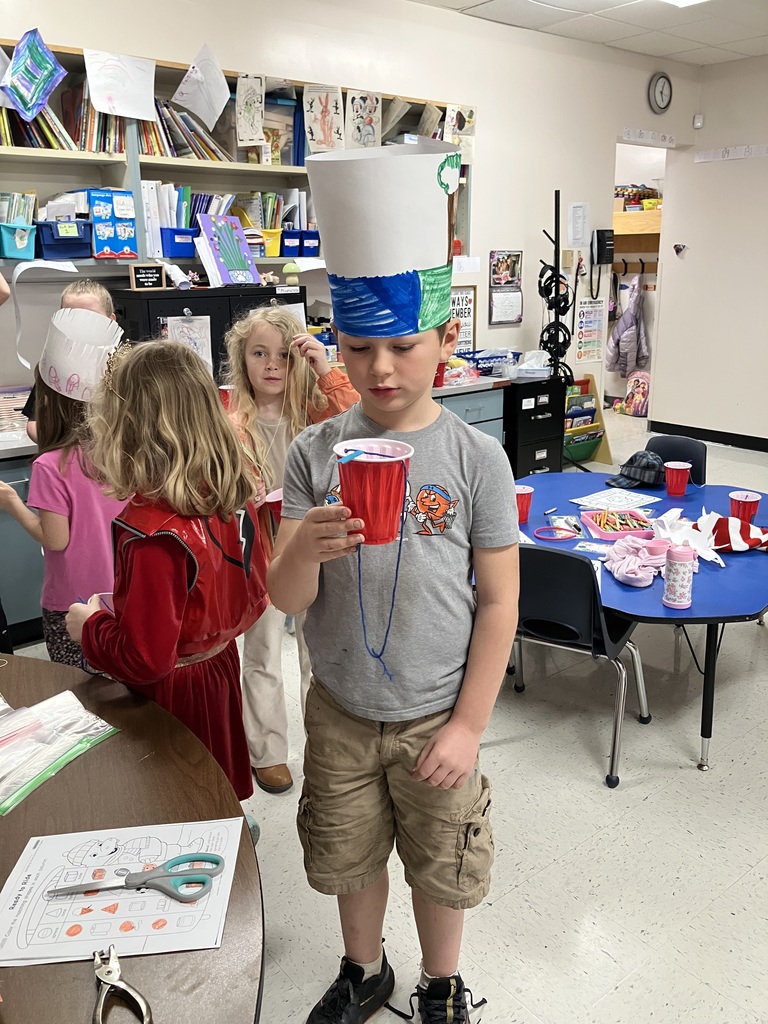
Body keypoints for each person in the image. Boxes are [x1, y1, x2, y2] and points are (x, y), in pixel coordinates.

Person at [268, 140, 520, 1024]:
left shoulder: (476, 459)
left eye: (404, 346)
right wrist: (307, 547)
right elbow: (286, 599)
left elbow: (499, 603)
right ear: (335, 337)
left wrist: (469, 725)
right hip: (340, 709)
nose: (380, 368)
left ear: (446, 339)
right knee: (348, 855)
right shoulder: (312, 452)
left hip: (434, 715)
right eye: (360, 344)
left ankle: (442, 983)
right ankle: (364, 968)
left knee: (442, 860)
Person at [65, 342, 269, 801]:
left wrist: (91, 627)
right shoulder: (229, 488)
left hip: (176, 691)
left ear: (126, 427)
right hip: (216, 665)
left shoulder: (154, 534)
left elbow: (146, 660)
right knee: (213, 783)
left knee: (178, 794)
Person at [224, 305, 359, 794]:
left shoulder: (316, 413)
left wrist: (326, 367)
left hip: (314, 544)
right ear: (243, 359)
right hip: (257, 549)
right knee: (259, 650)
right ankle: (267, 750)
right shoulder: (229, 421)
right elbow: (212, 486)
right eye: (259, 353)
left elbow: (363, 420)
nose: (272, 365)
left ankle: (322, 744)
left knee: (317, 647)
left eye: (283, 355)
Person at [0, 308, 127, 666]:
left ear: (47, 403)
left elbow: (56, 539)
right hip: (122, 595)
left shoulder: (50, 465)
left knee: (81, 694)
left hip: (71, 604)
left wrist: (11, 502)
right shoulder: (124, 453)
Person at [21, 279, 115, 443]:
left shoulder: (126, 366)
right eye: (70, 316)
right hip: (64, 457)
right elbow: (34, 424)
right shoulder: (53, 365)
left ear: (111, 320)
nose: (79, 325)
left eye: (90, 317)